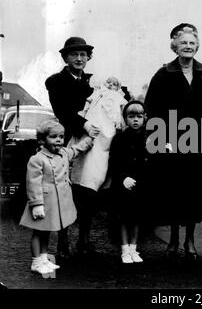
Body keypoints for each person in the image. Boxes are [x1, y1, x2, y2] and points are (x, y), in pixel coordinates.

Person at [145, 23, 202, 261]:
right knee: (174, 193)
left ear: (197, 46)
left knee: (194, 194)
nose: (188, 47)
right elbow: (153, 110)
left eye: (192, 43)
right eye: (184, 43)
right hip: (172, 144)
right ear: (175, 46)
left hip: (199, 145)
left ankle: (190, 240)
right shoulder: (163, 74)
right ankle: (172, 238)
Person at [45, 37, 100, 257]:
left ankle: (84, 240)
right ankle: (63, 240)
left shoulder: (92, 82)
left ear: (88, 58)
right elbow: (63, 111)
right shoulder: (56, 81)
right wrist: (85, 124)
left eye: (83, 55)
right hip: (67, 140)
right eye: (74, 54)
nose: (79, 58)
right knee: (64, 191)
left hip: (90, 143)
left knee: (88, 190)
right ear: (66, 57)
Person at [19, 120, 93, 274]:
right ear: (42, 140)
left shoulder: (64, 153)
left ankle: (44, 258)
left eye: (61, 136)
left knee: (46, 232)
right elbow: (33, 183)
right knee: (38, 233)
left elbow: (77, 149)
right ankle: (36, 261)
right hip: (43, 203)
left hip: (56, 203)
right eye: (53, 137)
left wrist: (90, 139)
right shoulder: (37, 159)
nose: (59, 140)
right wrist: (36, 204)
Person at [70, 76, 127, 192]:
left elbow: (120, 111)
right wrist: (84, 114)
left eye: (114, 84)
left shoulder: (117, 96)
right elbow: (88, 102)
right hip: (94, 119)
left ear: (118, 88)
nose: (110, 85)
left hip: (108, 124)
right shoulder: (98, 92)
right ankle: (81, 179)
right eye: (108, 82)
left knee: (102, 151)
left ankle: (97, 182)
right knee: (88, 149)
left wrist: (119, 123)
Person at [109, 100, 149, 264]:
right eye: (131, 116)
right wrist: (123, 177)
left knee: (137, 217)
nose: (135, 120)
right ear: (125, 118)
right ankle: (125, 249)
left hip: (141, 183)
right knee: (124, 217)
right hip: (123, 184)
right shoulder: (119, 138)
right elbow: (114, 161)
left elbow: (150, 161)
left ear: (145, 118)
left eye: (139, 116)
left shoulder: (148, 138)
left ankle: (134, 247)